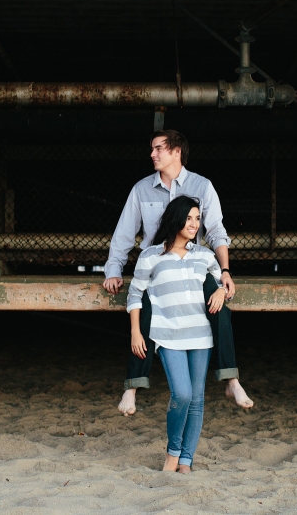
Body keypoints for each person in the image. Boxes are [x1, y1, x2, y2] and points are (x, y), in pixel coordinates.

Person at [103, 130, 253, 415]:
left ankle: (231, 378)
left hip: (194, 266)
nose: (152, 154)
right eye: (152, 149)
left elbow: (217, 231)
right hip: (156, 268)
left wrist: (225, 272)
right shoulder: (141, 189)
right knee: (144, 312)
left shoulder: (202, 185)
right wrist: (113, 270)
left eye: (158, 148)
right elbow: (124, 234)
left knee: (221, 308)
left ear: (176, 152)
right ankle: (132, 386)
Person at [128, 196, 222, 472]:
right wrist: (136, 332)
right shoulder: (150, 256)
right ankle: (173, 451)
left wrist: (220, 289)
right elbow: (135, 294)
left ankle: (186, 461)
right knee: (181, 393)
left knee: (197, 398)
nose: (194, 224)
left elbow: (222, 281)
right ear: (175, 219)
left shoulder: (204, 255)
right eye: (189, 218)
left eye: (197, 218)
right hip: (167, 334)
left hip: (201, 334)